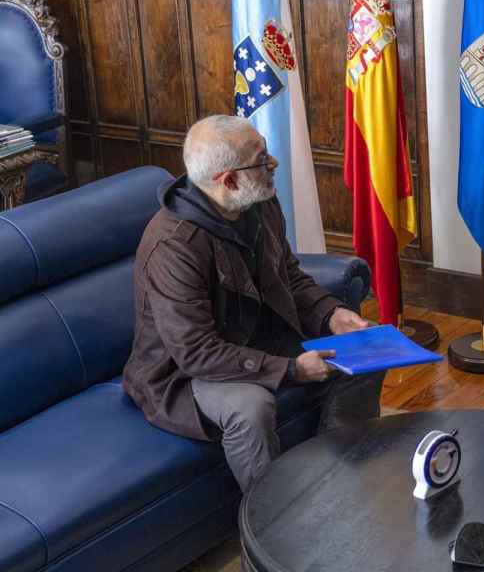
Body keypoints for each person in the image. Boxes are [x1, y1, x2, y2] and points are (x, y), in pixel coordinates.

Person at [123, 115, 384, 493]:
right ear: (228, 181)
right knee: (250, 408)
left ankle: (337, 472)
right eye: (262, 160)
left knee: (369, 351)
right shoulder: (172, 246)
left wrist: (332, 314)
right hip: (185, 374)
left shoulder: (260, 201)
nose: (273, 164)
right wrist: (292, 369)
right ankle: (272, 526)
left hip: (259, 340)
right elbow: (195, 352)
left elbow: (289, 276)